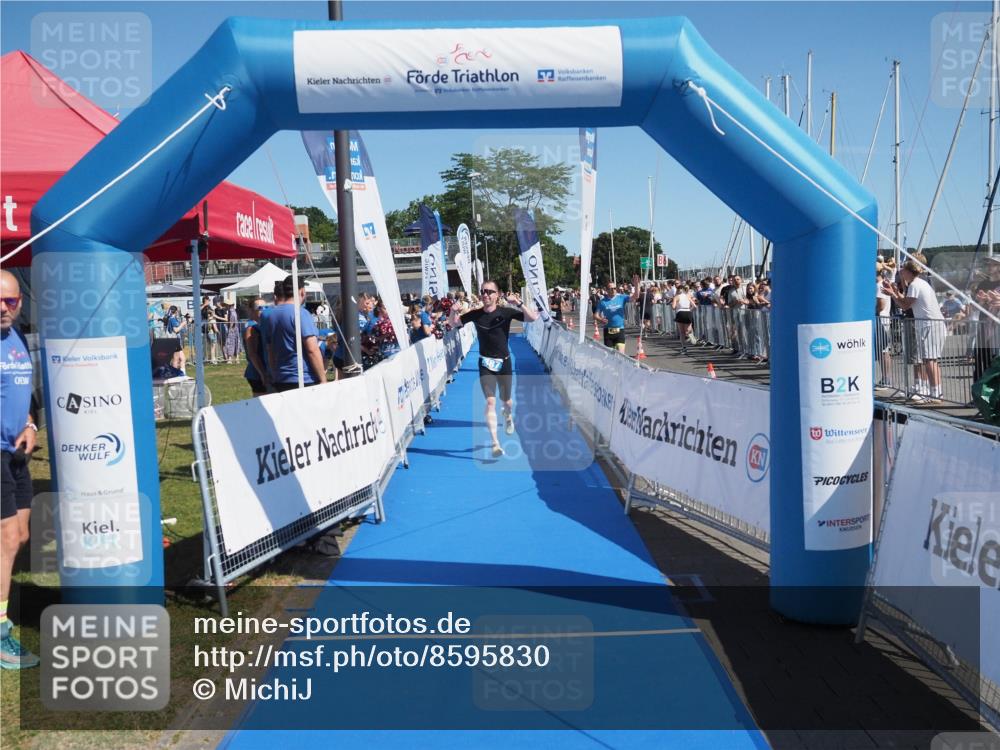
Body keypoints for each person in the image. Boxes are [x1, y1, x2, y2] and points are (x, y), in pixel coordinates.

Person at [448, 281, 539, 457]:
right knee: (490, 402)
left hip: (504, 363)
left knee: (507, 401)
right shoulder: (475, 314)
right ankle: (495, 444)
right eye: (483, 291)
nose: (485, 295)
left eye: (490, 292)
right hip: (485, 364)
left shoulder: (506, 312)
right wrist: (453, 310)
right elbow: (453, 324)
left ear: (497, 295)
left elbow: (532, 318)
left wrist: (518, 303)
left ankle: (507, 414)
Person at [0, 270, 39, 669]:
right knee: (7, 539)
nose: (2, 308)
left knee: (21, 535)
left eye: (9, 301)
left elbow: (18, 395)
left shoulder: (17, 338)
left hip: (16, 454)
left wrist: (29, 424)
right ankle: (0, 632)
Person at [882, 259, 946, 404]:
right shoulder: (918, 284)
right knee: (929, 359)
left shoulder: (915, 285)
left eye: (903, 269)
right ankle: (935, 391)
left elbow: (905, 306)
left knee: (930, 359)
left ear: (909, 272)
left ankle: (936, 393)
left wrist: (892, 294)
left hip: (930, 324)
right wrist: (894, 292)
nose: (901, 271)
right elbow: (906, 302)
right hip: (928, 324)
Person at [267, 275, 327, 391]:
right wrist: (323, 379)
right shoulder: (301, 313)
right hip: (303, 378)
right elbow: (312, 349)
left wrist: (275, 374)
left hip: (281, 378)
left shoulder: (271, 315)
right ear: (302, 291)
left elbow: (270, 350)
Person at [594, 277, 639, 354]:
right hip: (608, 331)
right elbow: (595, 315)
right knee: (610, 356)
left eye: (615, 288)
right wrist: (600, 319)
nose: (613, 290)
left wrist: (636, 285)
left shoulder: (621, 297)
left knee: (621, 354)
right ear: (607, 289)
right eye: (611, 288)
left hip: (620, 330)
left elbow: (636, 296)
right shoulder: (602, 302)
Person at [243, 298, 271, 396]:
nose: (263, 310)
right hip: (257, 372)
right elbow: (252, 354)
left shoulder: (261, 325)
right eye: (259, 308)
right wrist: (263, 374)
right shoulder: (251, 327)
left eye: (266, 307)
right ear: (251, 310)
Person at [672, 284, 695, 354]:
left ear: (678, 290)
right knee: (687, 329)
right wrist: (689, 310)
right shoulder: (688, 296)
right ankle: (690, 333)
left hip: (680, 312)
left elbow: (673, 307)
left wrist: (675, 305)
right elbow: (694, 305)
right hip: (687, 311)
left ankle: (684, 347)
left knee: (682, 332)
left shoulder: (676, 297)